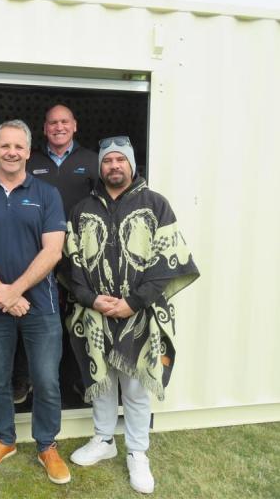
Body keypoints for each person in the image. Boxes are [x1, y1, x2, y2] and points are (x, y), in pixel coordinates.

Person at [60, 136, 199, 494]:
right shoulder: (81, 208)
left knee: (136, 388)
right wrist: (90, 298)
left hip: (140, 315)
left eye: (121, 160)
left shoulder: (156, 205)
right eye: (108, 161)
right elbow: (70, 263)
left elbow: (169, 262)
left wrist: (134, 302)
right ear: (100, 167)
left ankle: (137, 452)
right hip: (97, 315)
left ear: (132, 165)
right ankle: (104, 441)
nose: (114, 166)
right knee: (102, 382)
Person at [0, 120, 71, 484]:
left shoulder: (47, 194)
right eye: (4, 146)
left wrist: (16, 290)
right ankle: (5, 439)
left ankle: (46, 445)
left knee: (45, 379)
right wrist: (3, 295)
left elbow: (53, 250)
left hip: (41, 305)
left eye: (18, 147)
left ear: (28, 151)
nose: (11, 152)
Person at [21, 103, 100, 403]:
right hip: (37, 255)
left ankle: (80, 381)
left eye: (64, 122)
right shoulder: (31, 161)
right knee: (37, 317)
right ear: (44, 128)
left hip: (79, 258)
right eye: (52, 122)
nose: (58, 127)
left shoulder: (92, 161)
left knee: (79, 318)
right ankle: (29, 380)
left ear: (75, 125)